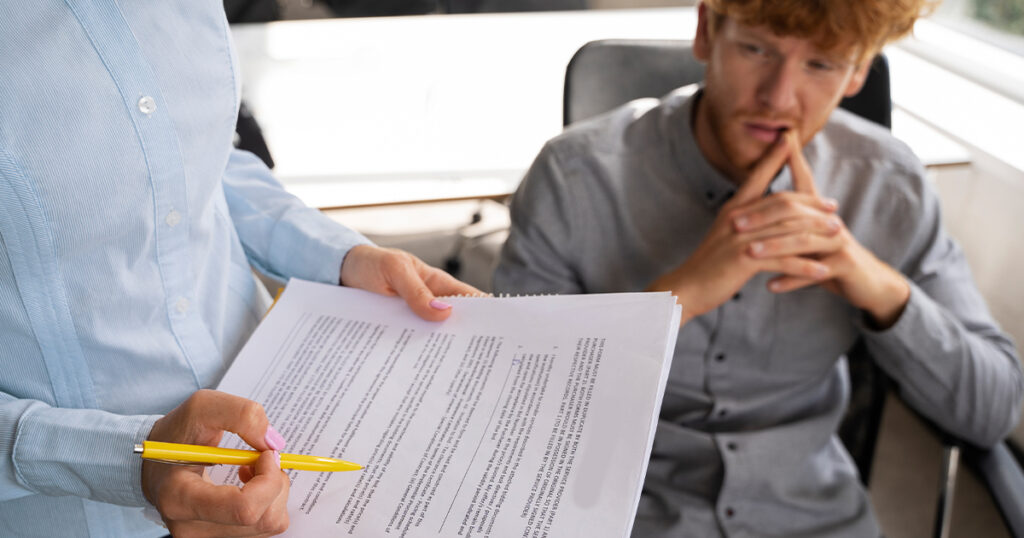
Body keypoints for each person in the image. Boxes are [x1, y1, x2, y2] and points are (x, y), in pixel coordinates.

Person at [494, 0, 1024, 535]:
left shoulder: (889, 185)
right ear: (706, 31)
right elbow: (510, 419)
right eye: (756, 49)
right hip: (624, 513)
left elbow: (993, 411)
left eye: (821, 64)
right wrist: (678, 299)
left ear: (859, 71)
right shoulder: (573, 177)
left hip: (814, 517)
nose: (779, 97)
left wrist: (879, 286)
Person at [0, 3, 478, 537]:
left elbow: (203, 165)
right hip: (79, 518)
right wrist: (122, 459)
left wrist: (341, 257)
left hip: (287, 418)